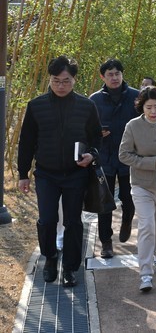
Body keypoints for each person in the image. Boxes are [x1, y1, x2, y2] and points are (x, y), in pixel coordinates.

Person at [18, 55, 102, 287]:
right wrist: (23, 174)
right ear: (50, 79)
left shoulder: (87, 106)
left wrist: (92, 155)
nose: (60, 86)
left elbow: (97, 139)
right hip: (46, 173)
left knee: (74, 222)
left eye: (66, 81)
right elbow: (26, 142)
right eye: (56, 81)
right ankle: (50, 258)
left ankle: (70, 268)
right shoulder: (36, 106)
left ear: (74, 80)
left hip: (76, 173)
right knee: (46, 220)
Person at [118, 86, 156, 292]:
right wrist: (153, 162)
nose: (152, 111)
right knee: (146, 226)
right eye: (148, 107)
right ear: (142, 107)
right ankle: (145, 274)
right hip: (141, 184)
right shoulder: (132, 126)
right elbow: (124, 155)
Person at [90, 58, 139, 259]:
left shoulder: (136, 96)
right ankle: (106, 242)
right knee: (105, 202)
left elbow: (145, 121)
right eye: (110, 74)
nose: (114, 77)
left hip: (129, 157)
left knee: (128, 197)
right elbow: (86, 128)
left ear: (122, 74)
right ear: (103, 77)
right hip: (105, 157)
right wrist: (96, 134)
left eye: (117, 73)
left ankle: (127, 219)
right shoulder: (95, 99)